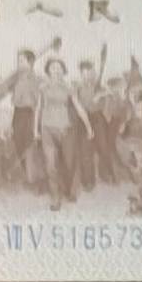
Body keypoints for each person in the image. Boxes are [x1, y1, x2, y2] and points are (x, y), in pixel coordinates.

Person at [35, 58, 92, 211]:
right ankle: (55, 197)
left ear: (63, 70)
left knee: (69, 162)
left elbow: (78, 107)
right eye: (53, 67)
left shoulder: (68, 87)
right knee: (50, 165)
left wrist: (88, 126)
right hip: (47, 129)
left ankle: (70, 190)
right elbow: (39, 108)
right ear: (48, 70)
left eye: (59, 67)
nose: (56, 70)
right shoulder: (43, 87)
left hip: (65, 129)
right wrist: (35, 129)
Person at [0, 48, 42, 186]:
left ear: (30, 62)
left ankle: (33, 180)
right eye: (18, 61)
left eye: (21, 61)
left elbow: (39, 101)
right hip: (18, 113)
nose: (18, 64)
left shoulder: (36, 78)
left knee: (29, 145)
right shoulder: (16, 78)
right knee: (19, 144)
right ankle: (29, 176)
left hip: (31, 113)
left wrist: (36, 123)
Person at [75, 55, 112, 189]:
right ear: (81, 73)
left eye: (89, 72)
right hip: (83, 119)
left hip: (98, 118)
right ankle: (88, 181)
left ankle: (105, 174)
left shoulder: (99, 85)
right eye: (84, 73)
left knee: (103, 147)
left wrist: (102, 95)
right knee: (85, 150)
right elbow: (81, 106)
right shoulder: (77, 87)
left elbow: (108, 96)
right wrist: (94, 99)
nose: (87, 75)